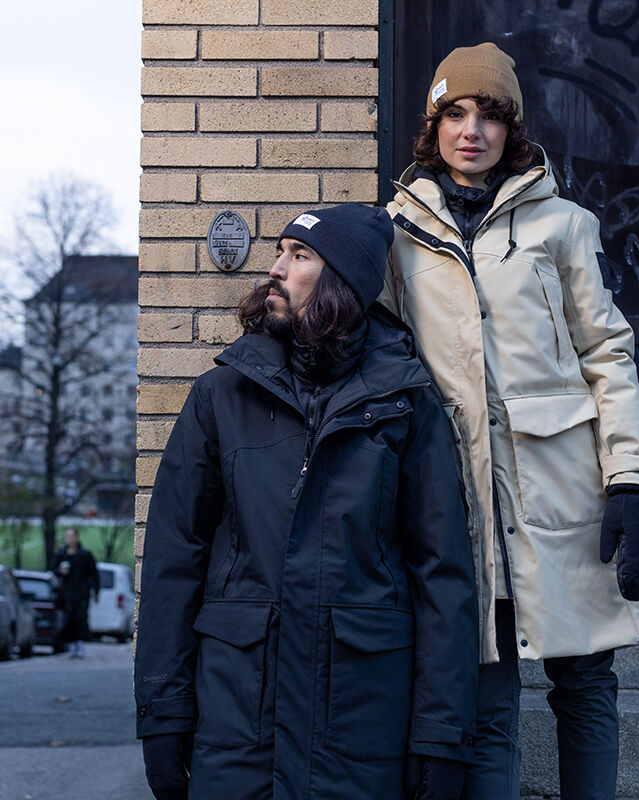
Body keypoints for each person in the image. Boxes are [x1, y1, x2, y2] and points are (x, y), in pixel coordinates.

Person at [380, 43, 639, 800]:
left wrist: (631, 482)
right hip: (460, 495)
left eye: (490, 115)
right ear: (433, 125)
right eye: (455, 113)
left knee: (586, 681)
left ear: (512, 129)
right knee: (487, 695)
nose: (472, 131)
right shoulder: (396, 234)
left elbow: (607, 353)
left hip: (562, 489)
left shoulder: (564, 225)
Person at [134, 203, 479, 800]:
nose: (276, 269)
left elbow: (442, 572)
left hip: (360, 731)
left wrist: (440, 736)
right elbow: (173, 559)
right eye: (279, 253)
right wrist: (163, 714)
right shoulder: (222, 395)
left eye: (300, 255)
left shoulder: (405, 402)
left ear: (342, 282)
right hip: (240, 728)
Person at [51, 527, 99, 658]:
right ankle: (71, 645)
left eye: (71, 536)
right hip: (66, 594)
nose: (69, 539)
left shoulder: (85, 555)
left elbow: (94, 574)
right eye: (67, 536)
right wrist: (59, 571)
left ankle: (80, 644)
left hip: (82, 593)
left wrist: (96, 590)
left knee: (80, 618)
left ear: (77, 538)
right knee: (68, 619)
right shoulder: (61, 554)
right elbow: (53, 569)